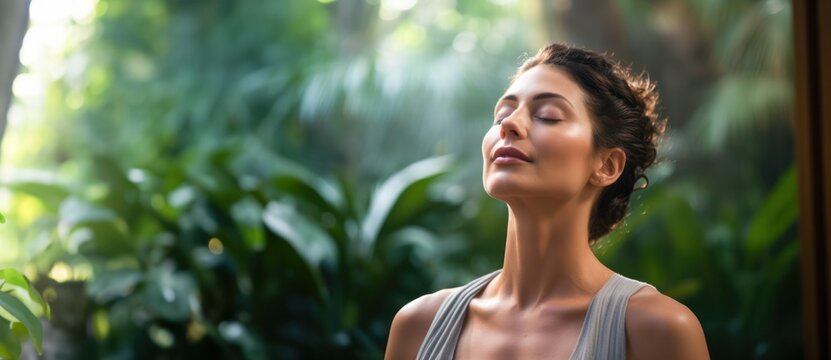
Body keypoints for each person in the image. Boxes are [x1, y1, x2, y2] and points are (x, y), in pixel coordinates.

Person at [384, 43, 710, 360]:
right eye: (501, 116)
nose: (509, 125)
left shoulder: (656, 330)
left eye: (548, 116)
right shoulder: (418, 326)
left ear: (606, 165)